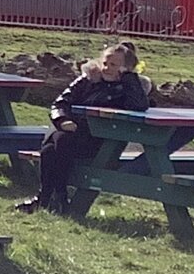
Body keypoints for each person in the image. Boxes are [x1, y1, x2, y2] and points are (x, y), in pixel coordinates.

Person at [19, 42, 150, 214]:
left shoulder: (129, 87)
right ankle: (54, 197)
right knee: (53, 144)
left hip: (99, 139)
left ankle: (49, 198)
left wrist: (129, 78)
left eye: (113, 65)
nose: (107, 68)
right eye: (105, 63)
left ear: (125, 68)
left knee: (58, 142)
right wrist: (62, 119)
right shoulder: (88, 79)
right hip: (70, 131)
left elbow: (140, 105)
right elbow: (60, 102)